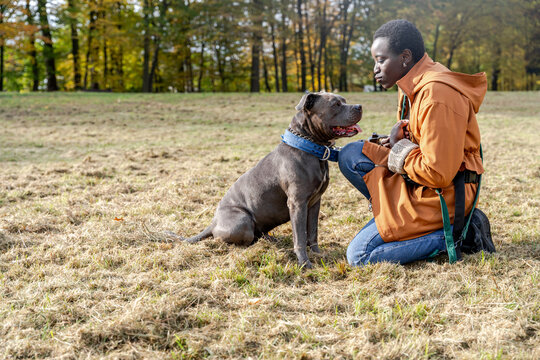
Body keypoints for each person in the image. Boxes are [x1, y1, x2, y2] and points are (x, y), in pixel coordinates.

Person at [338, 19, 488, 266]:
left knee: (360, 255)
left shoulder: (437, 95)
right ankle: (395, 217)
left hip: (444, 195)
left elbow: (438, 173)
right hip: (419, 181)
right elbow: (424, 136)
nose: (375, 69)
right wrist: (400, 138)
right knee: (352, 153)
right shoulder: (411, 82)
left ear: (405, 57)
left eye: (381, 60)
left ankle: (455, 233)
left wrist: (399, 147)